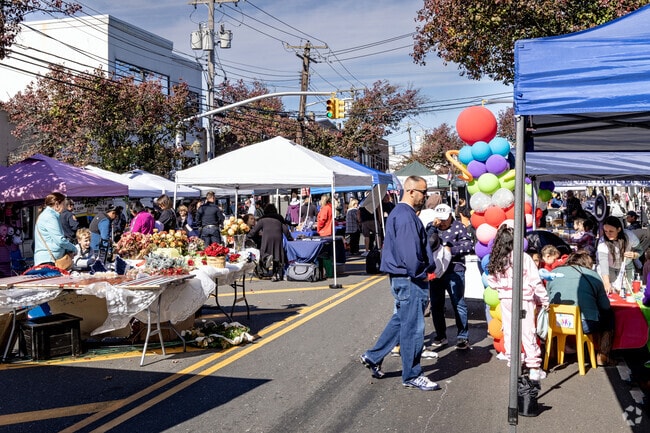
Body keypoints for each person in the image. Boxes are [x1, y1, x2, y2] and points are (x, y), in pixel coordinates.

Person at [359, 175, 440, 391]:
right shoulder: (405, 216)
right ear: (411, 191)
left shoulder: (402, 214)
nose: (426, 196)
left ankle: (373, 356)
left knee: (401, 320)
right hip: (410, 278)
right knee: (413, 327)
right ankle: (412, 374)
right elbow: (410, 253)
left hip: (404, 277)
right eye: (423, 191)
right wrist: (421, 272)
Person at [487, 225, 549, 381]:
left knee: (509, 330)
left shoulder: (498, 258)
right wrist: (544, 299)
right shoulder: (524, 257)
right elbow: (535, 281)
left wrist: (503, 286)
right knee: (527, 331)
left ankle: (514, 361)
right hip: (523, 300)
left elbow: (491, 281)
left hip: (506, 301)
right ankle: (534, 367)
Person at [546, 250, 615, 366]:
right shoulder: (592, 275)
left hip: (555, 321)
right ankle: (603, 355)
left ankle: (551, 351)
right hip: (583, 323)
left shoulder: (553, 273)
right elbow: (605, 306)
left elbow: (548, 298)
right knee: (609, 317)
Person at [426, 203, 474, 350]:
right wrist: (432, 228)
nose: (442, 222)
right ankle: (441, 335)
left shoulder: (458, 227)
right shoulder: (431, 226)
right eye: (440, 219)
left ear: (450, 216)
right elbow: (424, 243)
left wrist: (451, 250)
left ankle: (462, 336)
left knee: (458, 302)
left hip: (454, 269)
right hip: (436, 271)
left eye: (445, 219)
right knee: (436, 305)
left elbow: (469, 246)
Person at [246, 203, 293, 281]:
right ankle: (276, 274)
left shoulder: (262, 220)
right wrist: (290, 238)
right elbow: (286, 231)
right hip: (278, 238)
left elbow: (254, 231)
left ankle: (266, 262)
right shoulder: (279, 219)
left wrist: (247, 236)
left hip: (267, 238)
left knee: (264, 252)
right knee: (277, 254)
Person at [597, 215, 641, 294]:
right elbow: (603, 263)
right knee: (611, 292)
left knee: (628, 291)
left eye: (611, 231)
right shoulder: (602, 241)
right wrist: (606, 283)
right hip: (609, 268)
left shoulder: (629, 236)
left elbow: (640, 250)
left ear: (619, 229)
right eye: (605, 231)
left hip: (627, 266)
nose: (608, 234)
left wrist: (634, 254)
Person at [33, 192, 77, 266]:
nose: (65, 208)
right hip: (49, 260)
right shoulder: (50, 217)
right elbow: (60, 240)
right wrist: (74, 248)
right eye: (64, 204)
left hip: (47, 259)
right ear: (57, 204)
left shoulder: (48, 215)